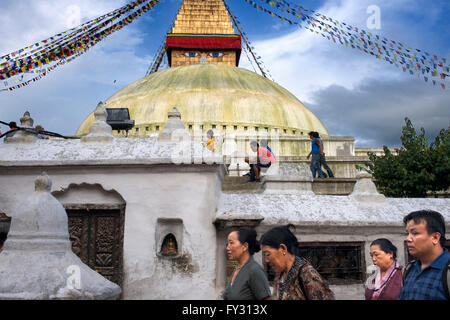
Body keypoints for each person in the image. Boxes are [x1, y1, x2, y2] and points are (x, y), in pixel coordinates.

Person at [260, 224, 335, 300]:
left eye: (268, 254)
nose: (266, 260)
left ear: (283, 249)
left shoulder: (307, 274)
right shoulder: (280, 275)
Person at [398, 210, 450, 300]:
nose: (408, 239)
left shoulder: (447, 271)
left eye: (415, 233)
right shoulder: (409, 269)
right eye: (407, 233)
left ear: (435, 238)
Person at [223, 228, 271, 300]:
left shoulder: (255, 271)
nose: (227, 248)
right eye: (227, 244)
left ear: (245, 246)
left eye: (231, 243)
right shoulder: (237, 268)